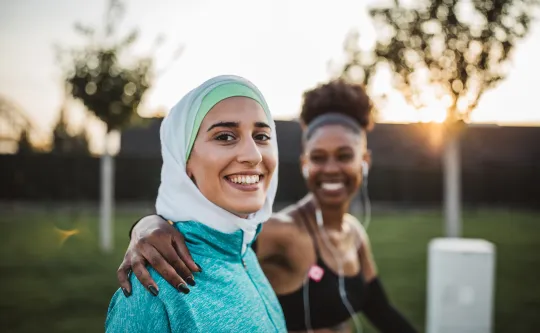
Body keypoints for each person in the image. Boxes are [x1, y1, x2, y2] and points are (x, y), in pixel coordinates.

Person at [118, 80, 417, 333]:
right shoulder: (281, 232)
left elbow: (381, 310)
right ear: (303, 164)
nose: (331, 169)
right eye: (318, 157)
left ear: (364, 162)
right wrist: (146, 226)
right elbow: (216, 240)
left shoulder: (354, 235)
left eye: (344, 156)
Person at [106, 75, 286, 332]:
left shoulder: (244, 255)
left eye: (262, 136)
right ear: (184, 159)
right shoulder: (153, 290)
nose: (253, 155)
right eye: (225, 136)